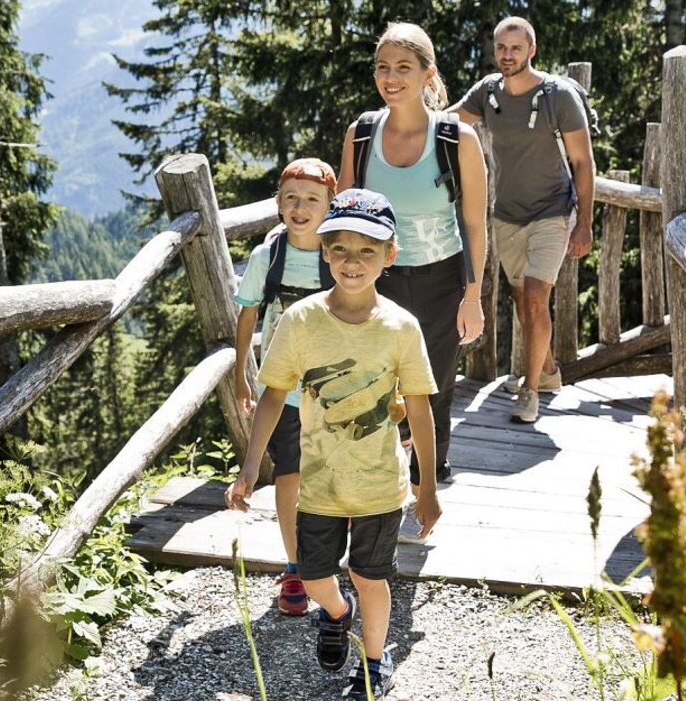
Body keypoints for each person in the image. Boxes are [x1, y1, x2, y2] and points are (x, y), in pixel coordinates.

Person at [226, 189, 441, 701]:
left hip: (378, 484)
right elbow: (274, 393)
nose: (352, 261)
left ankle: (372, 664)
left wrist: (426, 487)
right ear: (324, 251)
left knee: (372, 576)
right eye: (340, 249)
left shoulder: (400, 327)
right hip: (319, 482)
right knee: (315, 576)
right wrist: (251, 466)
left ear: (390, 256)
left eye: (367, 251)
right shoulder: (301, 321)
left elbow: (419, 407)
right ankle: (337, 614)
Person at [338, 22, 489, 489]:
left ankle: (429, 475)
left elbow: (475, 224)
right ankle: (375, 473)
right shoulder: (361, 134)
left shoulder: (456, 139)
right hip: (373, 280)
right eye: (382, 67)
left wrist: (473, 296)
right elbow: (346, 215)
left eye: (403, 67)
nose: (391, 77)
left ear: (428, 74)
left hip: (440, 279)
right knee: (372, 378)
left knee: (433, 382)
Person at [452, 16, 596, 424]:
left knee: (535, 296)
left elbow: (583, 162)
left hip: (553, 211)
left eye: (516, 48)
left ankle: (529, 392)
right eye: (501, 48)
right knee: (522, 300)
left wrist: (584, 222)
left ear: (532, 50)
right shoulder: (488, 92)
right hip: (507, 215)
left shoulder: (558, 96)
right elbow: (446, 122)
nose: (508, 55)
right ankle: (548, 372)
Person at [230, 158, 338, 617]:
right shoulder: (266, 257)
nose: (300, 207)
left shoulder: (340, 254)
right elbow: (248, 314)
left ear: (331, 207)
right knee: (290, 474)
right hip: (283, 388)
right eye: (291, 198)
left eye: (312, 200)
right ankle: (295, 566)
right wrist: (241, 373)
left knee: (333, 474)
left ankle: (328, 564)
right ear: (278, 204)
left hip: (335, 387)